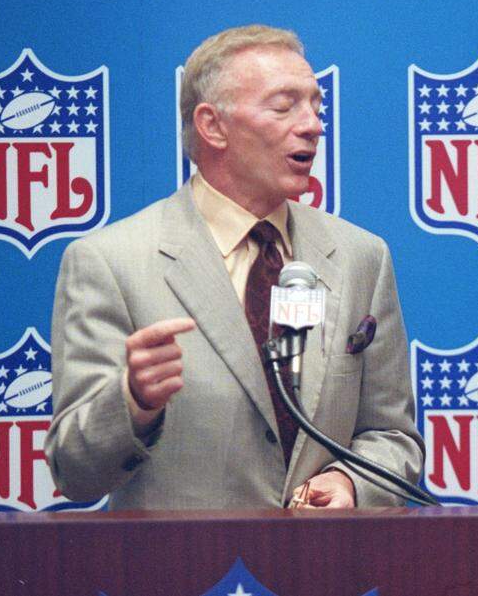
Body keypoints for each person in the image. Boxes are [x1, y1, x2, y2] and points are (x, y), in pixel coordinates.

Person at [46, 25, 422, 510]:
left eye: (316, 106)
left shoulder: (360, 257)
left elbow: (392, 436)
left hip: (326, 573)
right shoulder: (111, 262)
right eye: (285, 106)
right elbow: (74, 472)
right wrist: (133, 403)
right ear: (213, 126)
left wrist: (352, 484)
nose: (313, 125)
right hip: (187, 576)